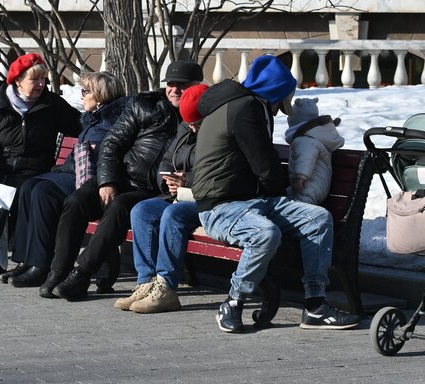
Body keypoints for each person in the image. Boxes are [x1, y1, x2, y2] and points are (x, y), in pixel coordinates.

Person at [192, 54, 359, 333]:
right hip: (222, 207)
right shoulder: (245, 108)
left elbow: (263, 168)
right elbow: (265, 165)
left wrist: (282, 197)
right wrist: (284, 192)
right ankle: (233, 302)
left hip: (254, 201)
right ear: (276, 90)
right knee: (265, 234)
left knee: (317, 219)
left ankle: (315, 305)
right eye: (287, 94)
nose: (287, 104)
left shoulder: (249, 104)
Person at [46, 60, 203, 301]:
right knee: (76, 201)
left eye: (182, 85)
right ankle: (58, 274)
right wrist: (106, 181)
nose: (175, 90)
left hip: (153, 191)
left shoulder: (198, 117)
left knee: (120, 207)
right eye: (171, 84)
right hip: (120, 177)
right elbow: (112, 143)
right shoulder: (146, 106)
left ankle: (81, 275)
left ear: (196, 86)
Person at [4, 71, 127, 288]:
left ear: (100, 94)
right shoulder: (94, 117)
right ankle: (26, 259)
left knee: (43, 192)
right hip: (72, 172)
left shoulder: (112, 121)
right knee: (28, 186)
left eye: (86, 91)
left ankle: (41, 265)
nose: (82, 96)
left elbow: (104, 158)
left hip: (91, 179)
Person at [0, 53, 82, 278]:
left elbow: (79, 125)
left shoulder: (51, 104)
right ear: (18, 81)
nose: (41, 84)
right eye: (34, 80)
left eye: (43, 79)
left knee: (26, 191)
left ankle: (23, 261)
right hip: (1, 169)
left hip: (36, 169)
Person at [116, 83, 208, 314]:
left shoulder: (216, 132)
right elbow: (167, 159)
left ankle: (166, 287)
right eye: (190, 124)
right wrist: (168, 180)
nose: (193, 129)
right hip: (178, 194)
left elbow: (216, 170)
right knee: (142, 210)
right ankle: (146, 282)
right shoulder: (185, 129)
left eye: (197, 124)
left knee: (172, 215)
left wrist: (189, 180)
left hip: (204, 198)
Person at [284, 97, 344, 206]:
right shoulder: (314, 136)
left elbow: (307, 157)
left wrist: (301, 176)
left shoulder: (305, 138)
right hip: (317, 186)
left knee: (300, 209)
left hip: (308, 186)